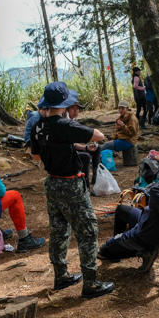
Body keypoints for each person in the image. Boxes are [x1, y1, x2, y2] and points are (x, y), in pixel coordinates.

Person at [30, 81, 115, 298]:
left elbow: (36, 156)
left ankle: (61, 275)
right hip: (71, 184)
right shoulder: (65, 125)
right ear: (65, 104)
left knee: (59, 230)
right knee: (87, 230)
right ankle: (91, 283)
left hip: (52, 183)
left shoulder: (38, 125)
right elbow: (99, 135)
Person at [66, 100, 101, 188]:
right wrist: (86, 148)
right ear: (67, 110)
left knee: (98, 148)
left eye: (77, 109)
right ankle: (86, 185)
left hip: (74, 147)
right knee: (85, 156)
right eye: (72, 108)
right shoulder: (66, 123)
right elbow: (72, 144)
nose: (75, 111)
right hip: (67, 151)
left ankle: (95, 176)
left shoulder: (74, 121)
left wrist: (87, 146)